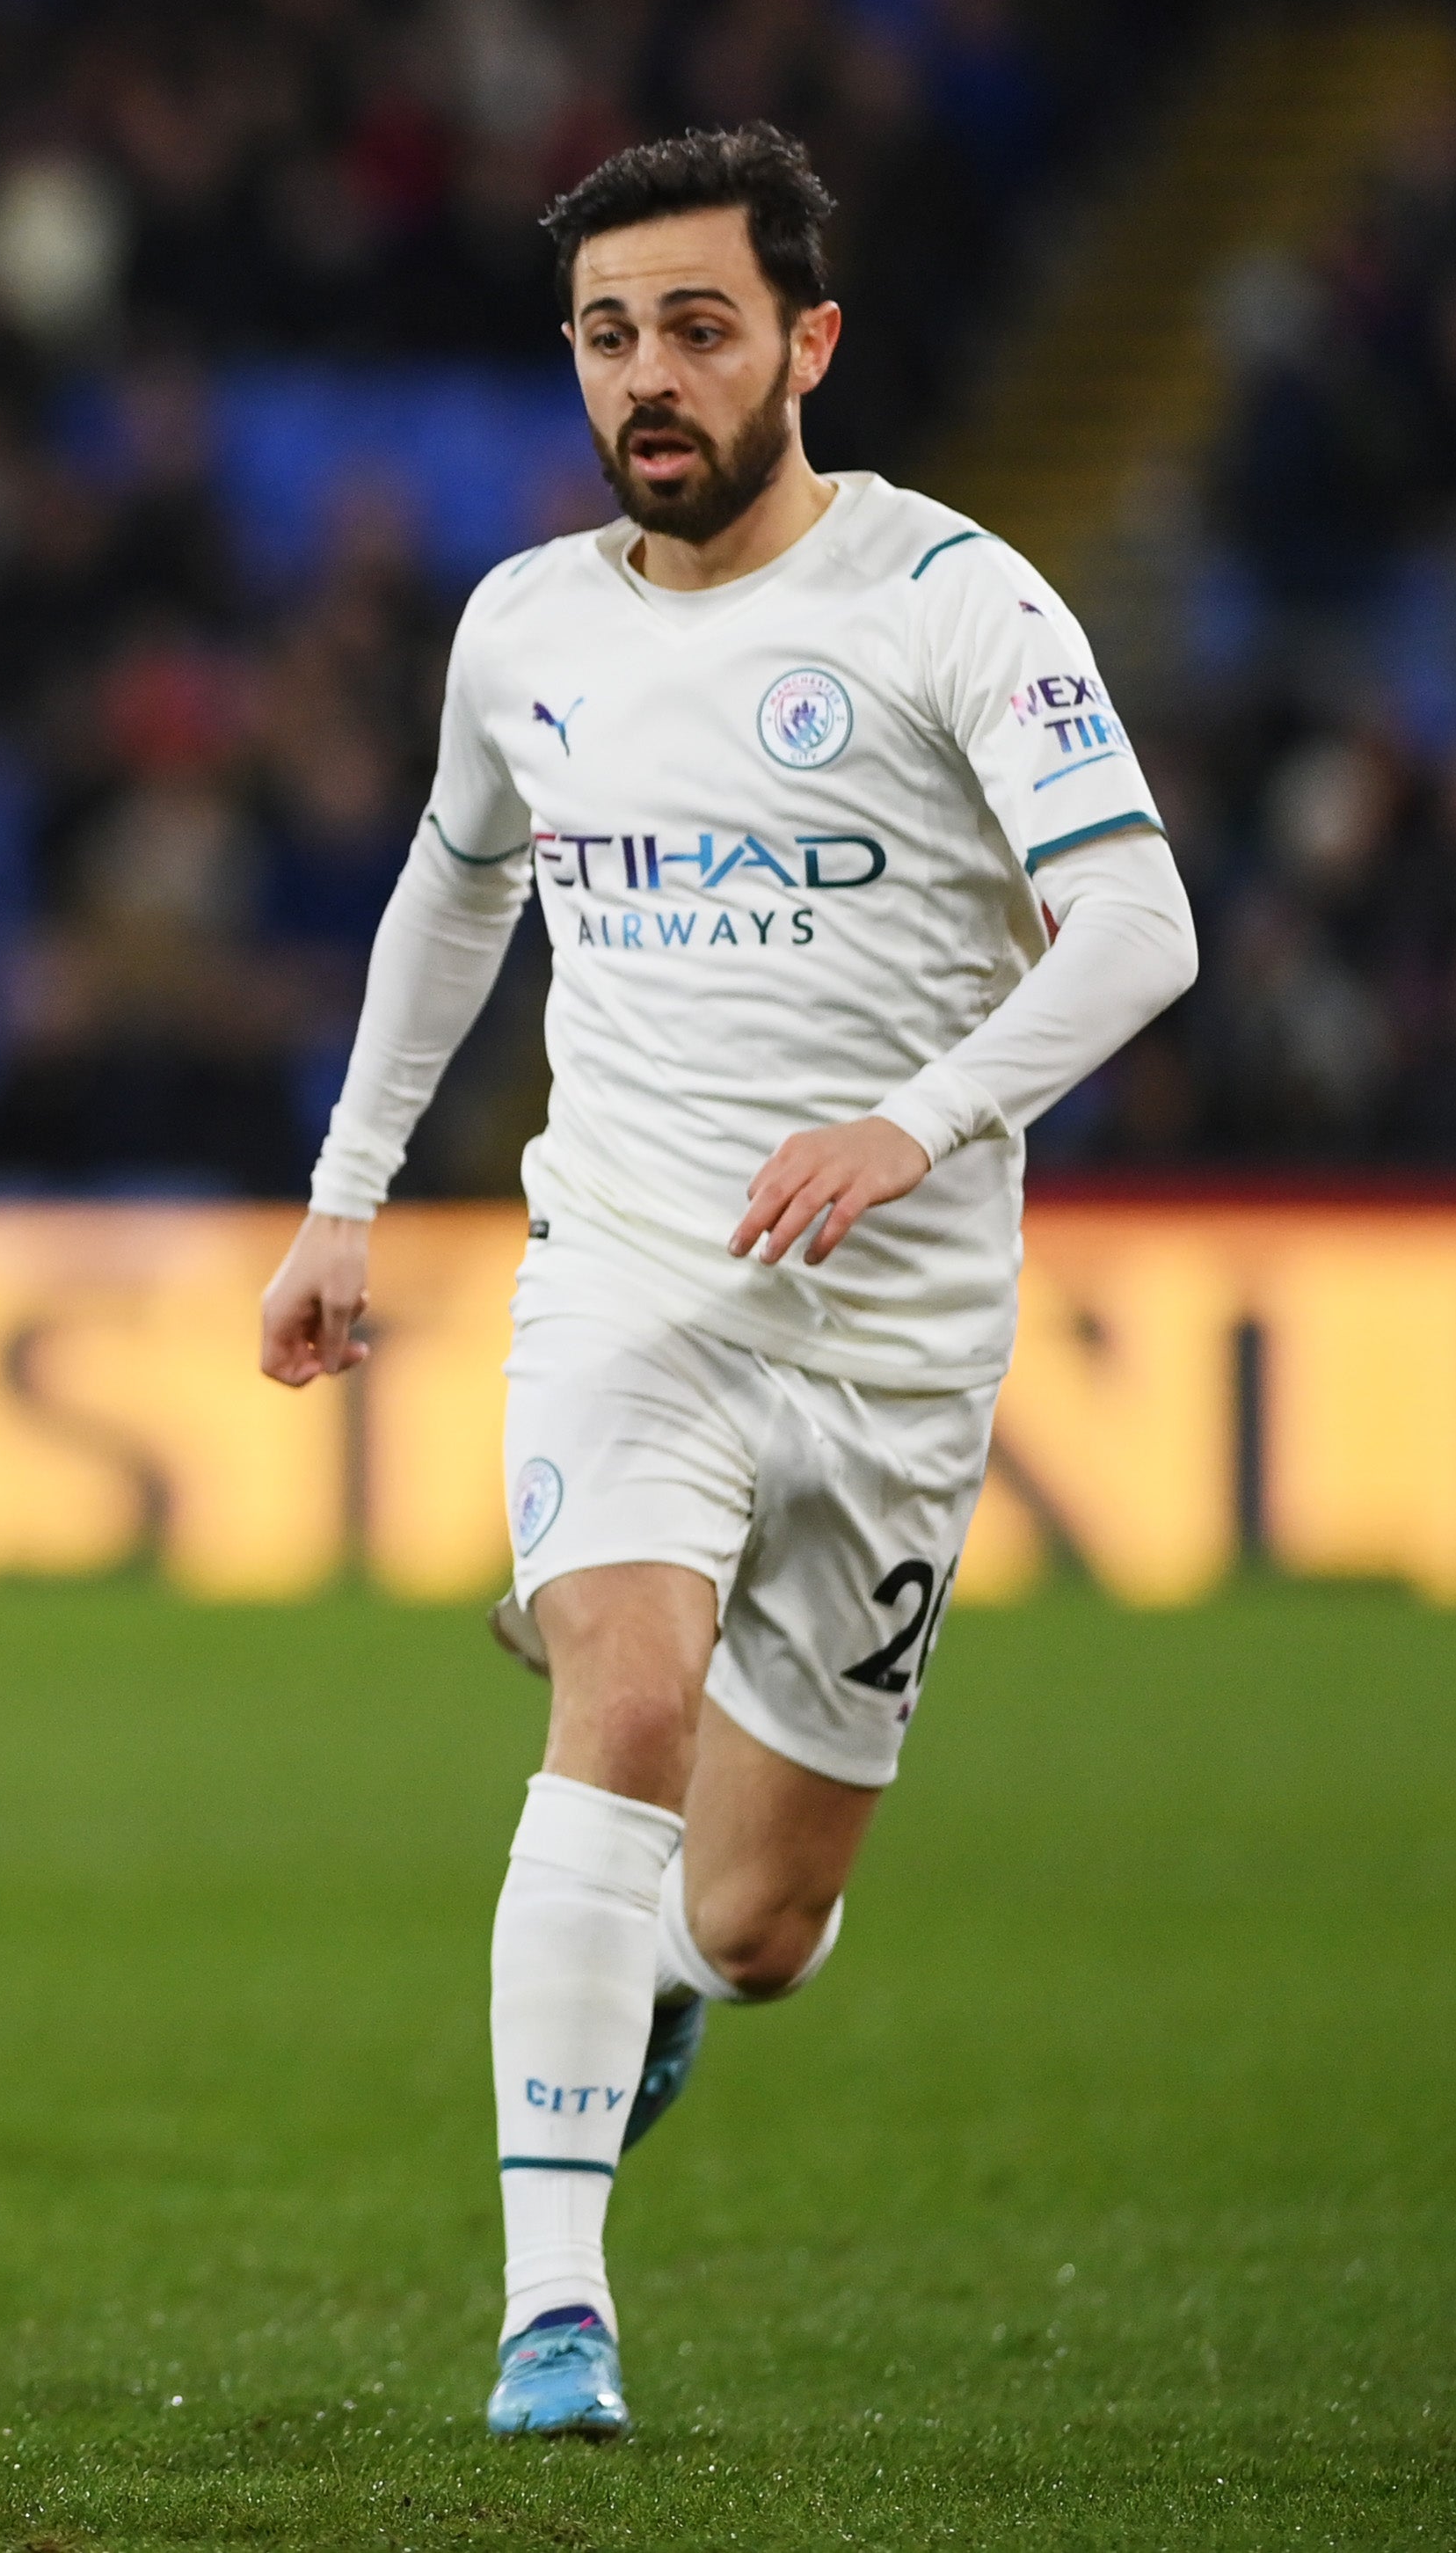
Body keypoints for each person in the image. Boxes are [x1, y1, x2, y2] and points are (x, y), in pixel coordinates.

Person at [256, 124, 1198, 2439]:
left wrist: (917, 1120)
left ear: (808, 341)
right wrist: (347, 1193)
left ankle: (666, 1986)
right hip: (630, 1280)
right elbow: (451, 899)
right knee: (624, 1693)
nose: (646, 379)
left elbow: (1143, 927)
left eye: (694, 326)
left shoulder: (949, 602)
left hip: (893, 1337)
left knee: (763, 1923)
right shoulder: (526, 626)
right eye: (605, 335)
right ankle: (550, 2312)